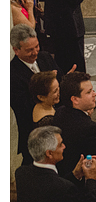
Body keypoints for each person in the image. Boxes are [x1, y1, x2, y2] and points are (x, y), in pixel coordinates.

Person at [11, 24, 61, 165]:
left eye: (36, 46)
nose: (35, 52)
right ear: (16, 50)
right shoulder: (11, 75)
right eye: (29, 50)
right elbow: (23, 108)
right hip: (34, 135)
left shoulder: (44, 58)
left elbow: (61, 80)